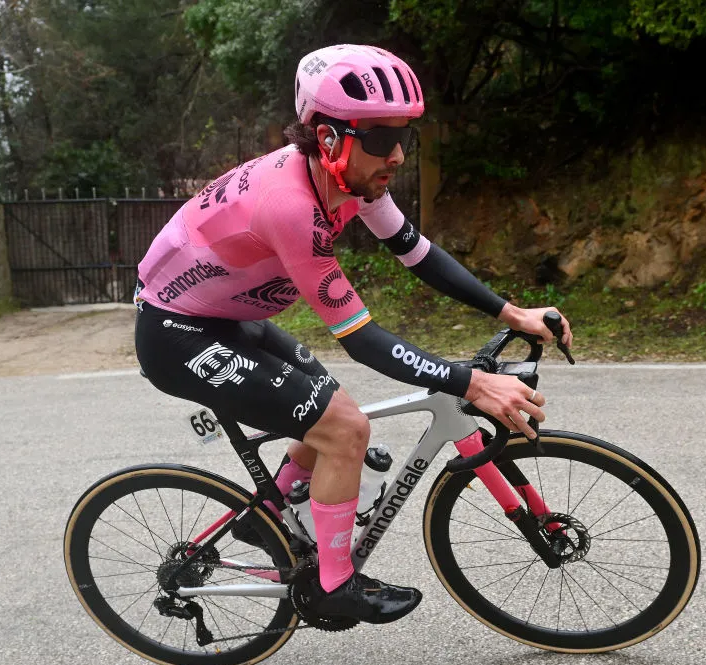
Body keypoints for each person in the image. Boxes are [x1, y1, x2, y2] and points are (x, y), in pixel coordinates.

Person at [133, 44, 573, 625]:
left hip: (229, 318)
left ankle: (265, 517)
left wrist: (511, 313)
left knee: (325, 405)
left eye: (403, 138)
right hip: (177, 334)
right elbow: (361, 336)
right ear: (328, 137)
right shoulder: (289, 204)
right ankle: (333, 587)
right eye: (379, 138)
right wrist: (471, 384)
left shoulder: (349, 181)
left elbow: (418, 254)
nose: (395, 155)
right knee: (344, 428)